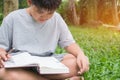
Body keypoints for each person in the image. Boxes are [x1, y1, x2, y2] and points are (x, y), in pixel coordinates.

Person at [0, 0, 89, 80]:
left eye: (50, 13)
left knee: (79, 61)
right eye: (40, 12)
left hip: (47, 63)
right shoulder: (12, 18)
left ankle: (28, 77)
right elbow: (1, 47)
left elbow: (69, 43)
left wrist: (80, 54)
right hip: (20, 64)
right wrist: (1, 52)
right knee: (2, 72)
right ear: (29, 2)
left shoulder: (57, 19)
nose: (44, 17)